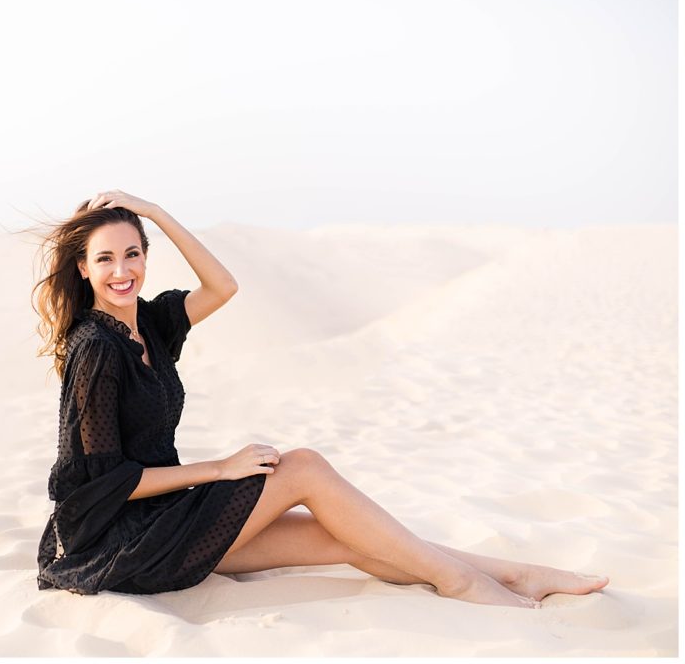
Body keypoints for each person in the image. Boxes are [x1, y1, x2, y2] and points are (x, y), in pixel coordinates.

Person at [31, 189, 609, 607]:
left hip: (164, 521)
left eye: (133, 253)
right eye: (105, 258)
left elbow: (223, 286)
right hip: (115, 540)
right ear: (82, 269)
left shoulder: (150, 325)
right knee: (303, 467)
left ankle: (516, 575)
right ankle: (462, 583)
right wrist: (221, 469)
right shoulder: (97, 349)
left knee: (343, 535)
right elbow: (109, 481)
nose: (122, 270)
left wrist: (156, 212)